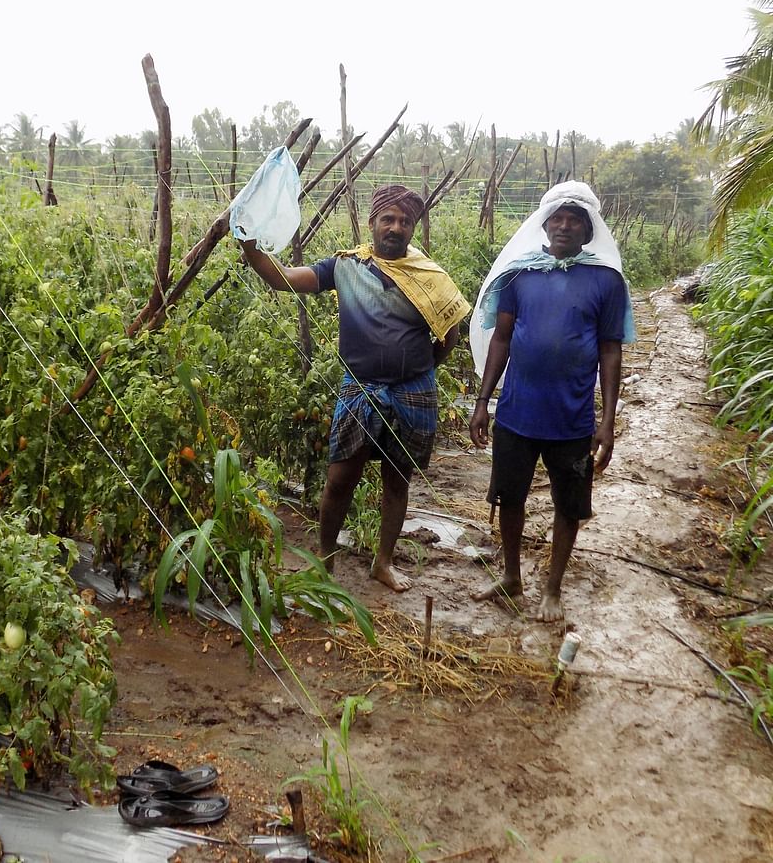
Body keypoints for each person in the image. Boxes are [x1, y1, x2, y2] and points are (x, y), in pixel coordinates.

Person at [239, 184, 469, 591]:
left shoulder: (429, 277)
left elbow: (450, 333)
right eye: (388, 219)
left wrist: (421, 367)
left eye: (404, 221)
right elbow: (285, 279)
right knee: (340, 477)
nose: (395, 227)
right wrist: (253, 250)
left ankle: (383, 563)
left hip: (413, 391)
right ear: (373, 223)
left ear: (413, 227)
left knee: (398, 481)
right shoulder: (345, 266)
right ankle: (325, 561)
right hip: (359, 388)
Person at [468, 181, 635, 622]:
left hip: (573, 419)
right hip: (517, 413)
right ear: (543, 223)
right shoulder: (520, 275)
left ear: (588, 228)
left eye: (574, 219)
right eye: (556, 218)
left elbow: (610, 350)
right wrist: (483, 400)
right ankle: (511, 578)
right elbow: (501, 338)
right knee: (510, 498)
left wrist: (607, 421)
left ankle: (553, 588)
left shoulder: (606, 280)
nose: (563, 226)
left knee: (569, 504)